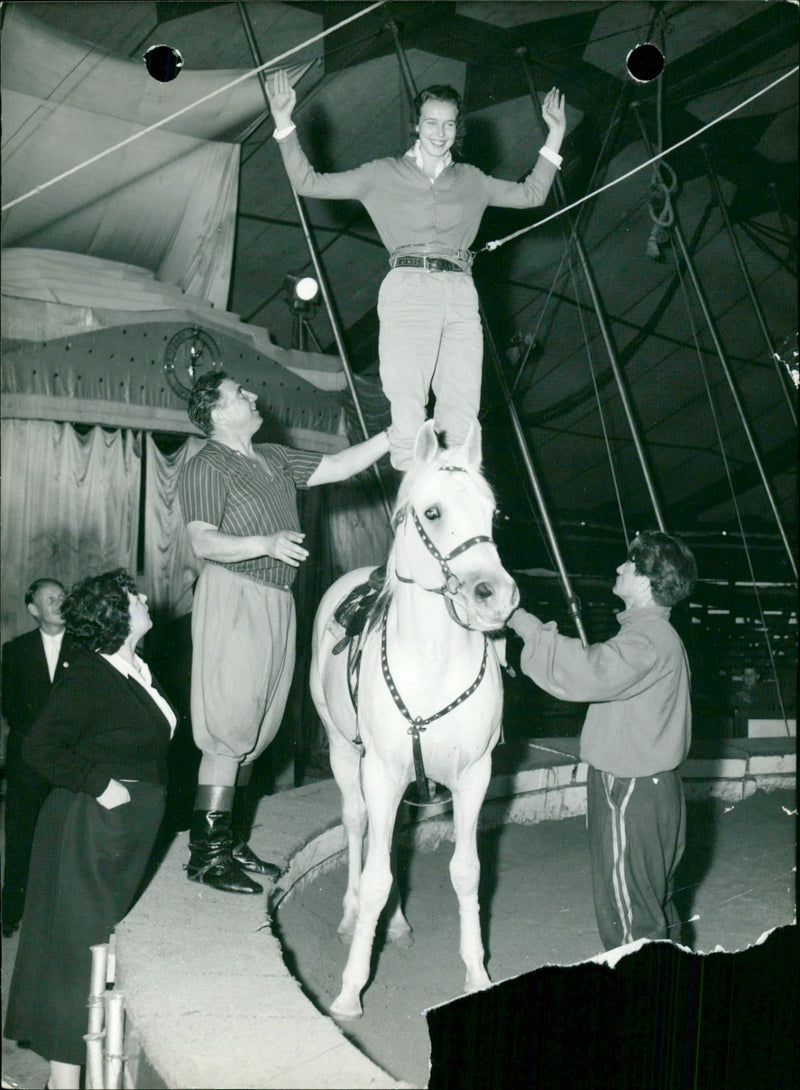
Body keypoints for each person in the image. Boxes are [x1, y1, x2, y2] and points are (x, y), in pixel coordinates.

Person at [265, 70, 567, 471]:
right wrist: (283, 121)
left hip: (460, 291)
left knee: (462, 401)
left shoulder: (472, 180)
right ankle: (412, 479)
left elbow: (532, 194)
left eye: (448, 124)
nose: (440, 133)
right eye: (431, 122)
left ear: (457, 128)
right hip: (408, 287)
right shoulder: (381, 173)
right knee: (407, 398)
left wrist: (555, 134)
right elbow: (308, 183)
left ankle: (455, 476)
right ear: (416, 125)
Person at [178, 371, 390, 894]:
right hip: (233, 593)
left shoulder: (272, 456)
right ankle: (206, 855)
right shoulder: (206, 463)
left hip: (277, 597)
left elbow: (338, 466)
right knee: (228, 727)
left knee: (257, 729)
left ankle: (230, 842)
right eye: (239, 394)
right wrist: (265, 543)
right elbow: (203, 541)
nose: (253, 396)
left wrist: (395, 434)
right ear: (217, 412)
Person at [3, 570, 176, 1090]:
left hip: (122, 832)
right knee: (78, 954)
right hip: (90, 828)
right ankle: (63, 1082)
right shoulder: (90, 675)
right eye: (133, 596)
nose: (144, 597)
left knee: (97, 951)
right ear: (114, 615)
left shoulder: (134, 668)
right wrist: (101, 785)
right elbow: (39, 747)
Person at [507, 531, 698, 951]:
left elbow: (587, 671)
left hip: (629, 789)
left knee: (628, 915)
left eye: (629, 564)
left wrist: (522, 622)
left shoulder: (647, 639)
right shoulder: (656, 635)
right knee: (652, 905)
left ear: (646, 582)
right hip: (654, 789)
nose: (619, 568)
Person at [1, 578, 77, 937]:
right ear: (34, 609)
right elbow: (10, 706)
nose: (59, 603)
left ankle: (62, 917)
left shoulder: (84, 647)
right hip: (27, 761)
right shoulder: (15, 651)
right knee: (21, 836)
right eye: (50, 599)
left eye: (62, 596)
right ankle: (11, 910)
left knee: (67, 838)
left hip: (70, 759)